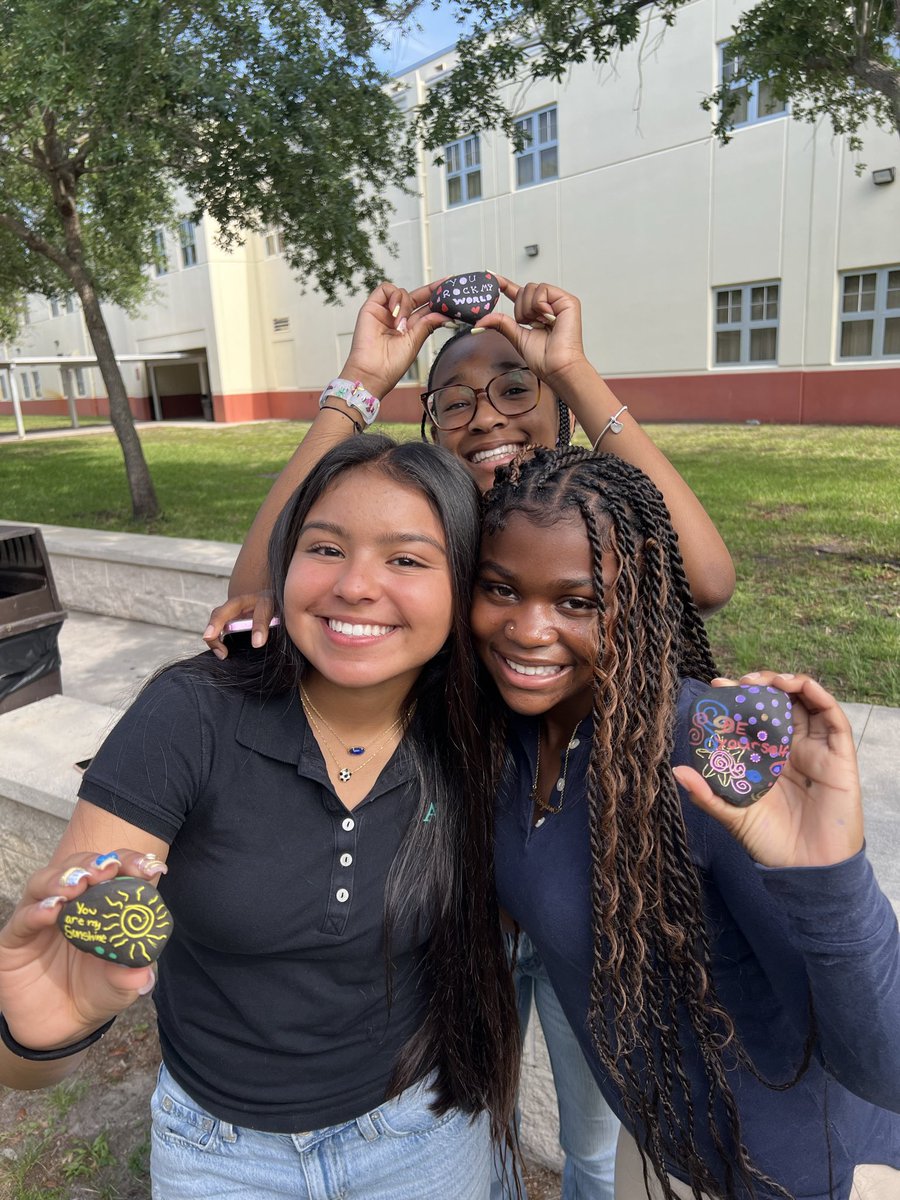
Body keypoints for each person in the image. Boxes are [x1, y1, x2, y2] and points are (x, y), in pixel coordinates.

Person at [204, 276, 737, 1200]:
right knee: (471, 1113)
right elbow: (266, 568)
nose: (486, 415)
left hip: (591, 900)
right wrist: (359, 380)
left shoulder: (586, 520)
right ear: (430, 425)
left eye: (513, 389)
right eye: (455, 400)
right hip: (462, 900)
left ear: (556, 409)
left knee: (596, 1135)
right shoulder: (434, 540)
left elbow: (709, 577)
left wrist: (569, 365)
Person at [0, 436, 522, 1200]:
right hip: (218, 1156)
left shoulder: (479, 733)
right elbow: (32, 1053)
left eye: (407, 560)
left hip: (425, 1133)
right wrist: (46, 1031)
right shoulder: (191, 715)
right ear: (283, 564)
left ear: (465, 585)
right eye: (325, 548)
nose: (355, 585)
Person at [477, 445, 900, 1199]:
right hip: (670, 1150)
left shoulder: (711, 740)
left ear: (639, 597)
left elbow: (883, 1059)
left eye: (577, 601)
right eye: (500, 589)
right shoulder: (510, 732)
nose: (526, 629)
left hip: (806, 1175)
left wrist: (828, 876)